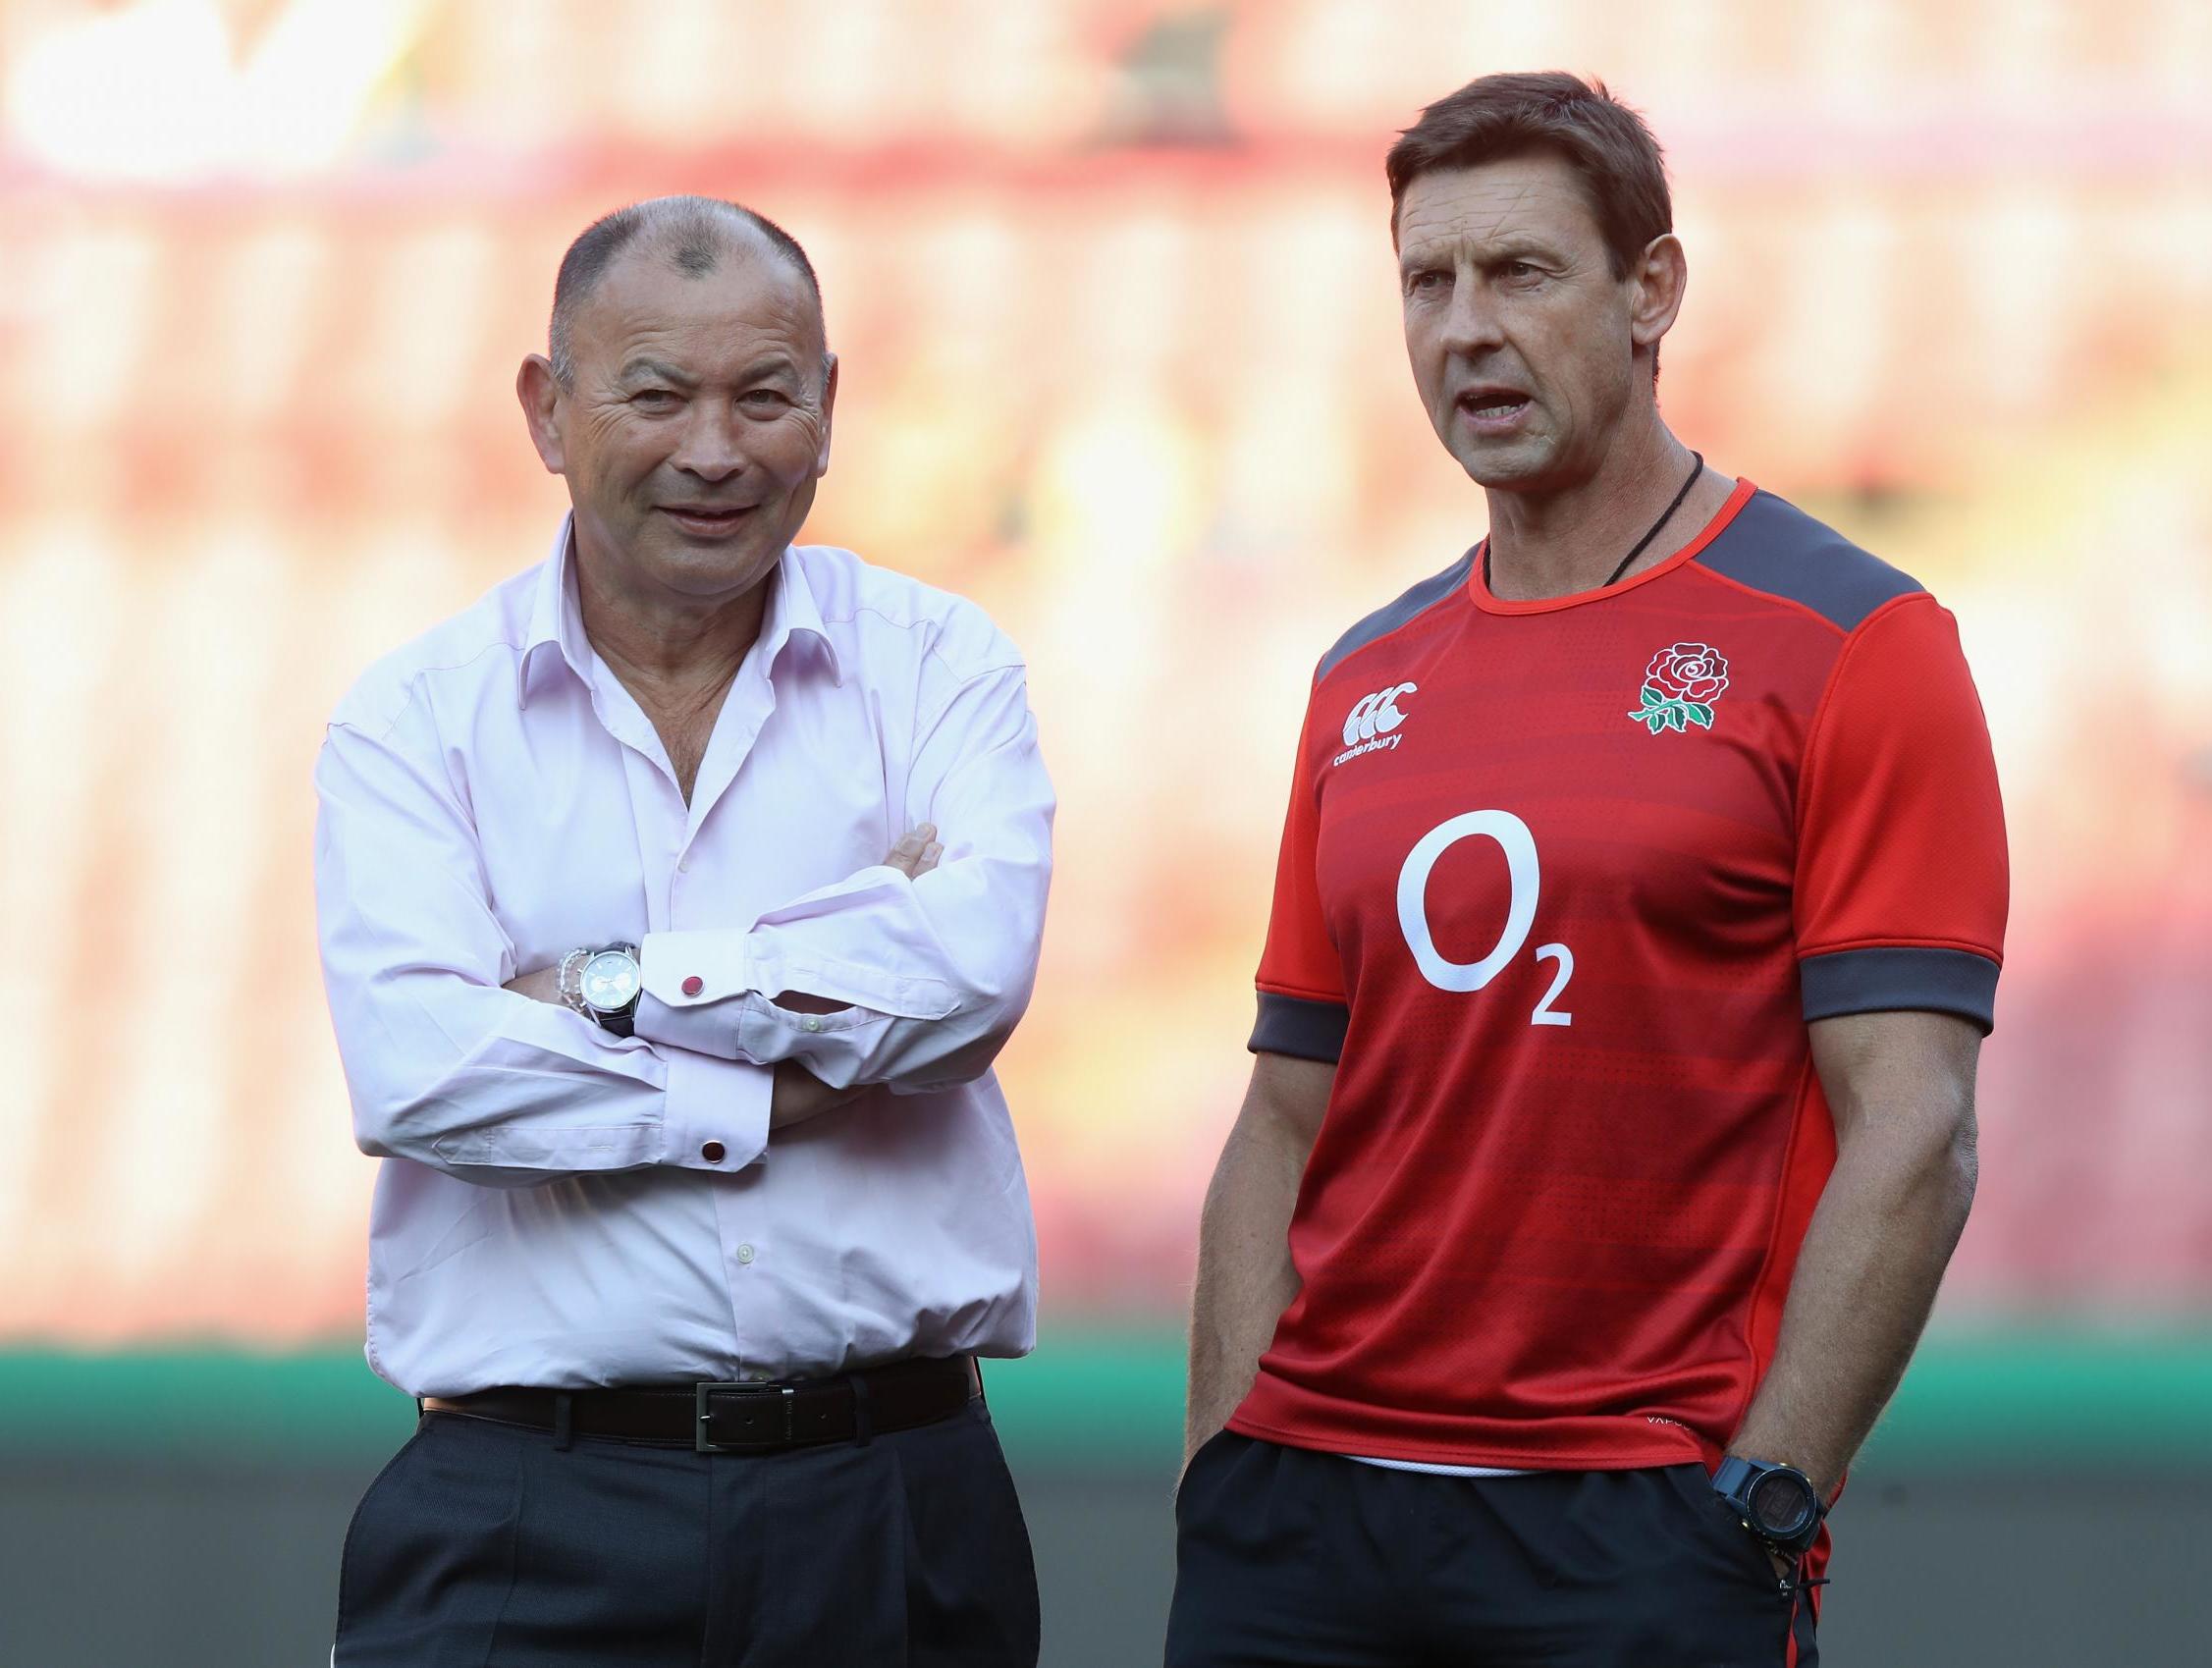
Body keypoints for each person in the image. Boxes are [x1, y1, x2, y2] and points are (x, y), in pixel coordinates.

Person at [1169, 73, 2008, 1668]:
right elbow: (1286, 1108)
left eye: (1522, 273)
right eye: (1428, 281)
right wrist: (1223, 1464)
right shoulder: (1362, 676)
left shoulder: (1855, 644)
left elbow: (1912, 1124)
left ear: (1651, 292)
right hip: (1301, 1526)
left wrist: (1765, 1497)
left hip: (1637, 1526)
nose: (1465, 329)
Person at [315, 195, 1051, 1666]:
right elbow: (424, 1075)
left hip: (891, 1498)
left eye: (764, 395)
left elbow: (965, 980)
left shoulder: (938, 667)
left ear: (829, 409)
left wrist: (603, 987)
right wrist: (783, 1067)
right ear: (549, 410)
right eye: (656, 394)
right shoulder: (414, 723)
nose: (715, 450)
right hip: (526, 1508)